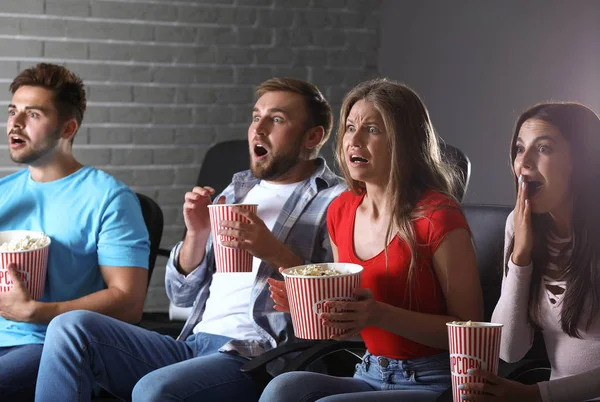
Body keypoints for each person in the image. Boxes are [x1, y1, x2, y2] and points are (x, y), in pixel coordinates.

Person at [34, 77, 345, 402]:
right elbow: (181, 297)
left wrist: (273, 252)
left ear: (314, 136)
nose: (258, 128)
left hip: (257, 357)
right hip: (194, 343)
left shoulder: (335, 201)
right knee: (71, 328)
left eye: (277, 119)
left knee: (154, 390)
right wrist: (197, 235)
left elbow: (335, 305)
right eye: (256, 117)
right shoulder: (237, 190)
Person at [262, 78, 484, 402]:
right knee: (282, 390)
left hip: (435, 381)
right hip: (369, 370)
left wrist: (379, 314)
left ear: (404, 142)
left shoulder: (437, 214)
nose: (355, 140)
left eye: (372, 130)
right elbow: (352, 328)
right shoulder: (340, 210)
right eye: (350, 128)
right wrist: (309, 308)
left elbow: (470, 329)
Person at [0, 63, 150, 401]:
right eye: (13, 111)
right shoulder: (4, 193)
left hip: (47, 346)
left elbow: (129, 302)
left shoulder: (108, 198)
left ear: (68, 128)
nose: (15, 123)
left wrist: (37, 312)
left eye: (33, 114)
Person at [460, 103, 600, 402]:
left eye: (544, 149)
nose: (524, 163)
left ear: (582, 159)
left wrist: (538, 394)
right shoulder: (520, 225)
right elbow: (510, 350)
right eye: (520, 149)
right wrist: (520, 256)